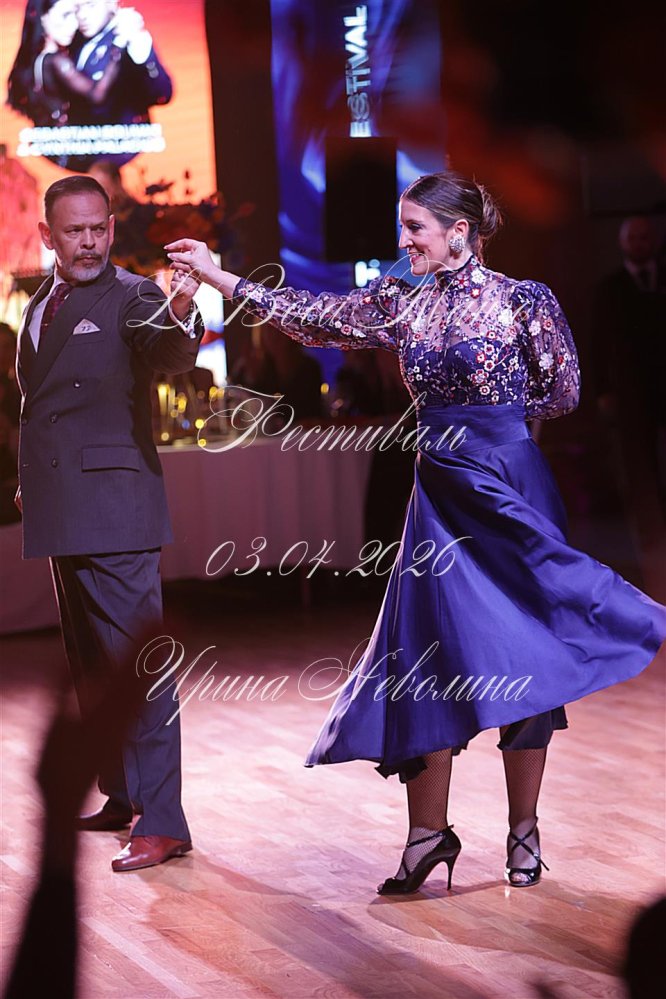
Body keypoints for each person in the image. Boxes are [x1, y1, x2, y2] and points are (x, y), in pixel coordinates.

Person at [166, 171, 666, 895]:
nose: (404, 241)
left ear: (461, 233)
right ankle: (428, 834)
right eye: (404, 227)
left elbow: (564, 392)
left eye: (415, 228)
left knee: (525, 653)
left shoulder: (523, 300)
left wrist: (493, 420)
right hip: (438, 497)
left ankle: (523, 830)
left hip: (509, 488)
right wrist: (219, 277)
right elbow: (313, 316)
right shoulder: (403, 300)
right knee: (429, 656)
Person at [16, 174, 203, 872]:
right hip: (63, 506)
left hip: (116, 509)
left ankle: (165, 822)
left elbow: (170, 353)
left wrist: (181, 306)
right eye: (75, 231)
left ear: (112, 228)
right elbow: (44, 409)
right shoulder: (40, 301)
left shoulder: (134, 297)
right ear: (48, 236)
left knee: (139, 670)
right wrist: (33, 483)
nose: (90, 242)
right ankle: (123, 793)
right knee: (92, 667)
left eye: (99, 228)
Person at [66, 0, 172, 168]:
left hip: (120, 151)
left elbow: (162, 93)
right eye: (77, 8)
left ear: (113, 3)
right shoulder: (77, 40)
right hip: (84, 152)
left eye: (90, 5)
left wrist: (140, 48)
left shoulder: (127, 38)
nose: (82, 15)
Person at [6, 0, 123, 130]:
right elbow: (96, 95)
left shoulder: (37, 60)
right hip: (65, 138)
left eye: (75, 14)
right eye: (65, 15)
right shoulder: (57, 61)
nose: (74, 24)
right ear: (43, 18)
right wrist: (118, 50)